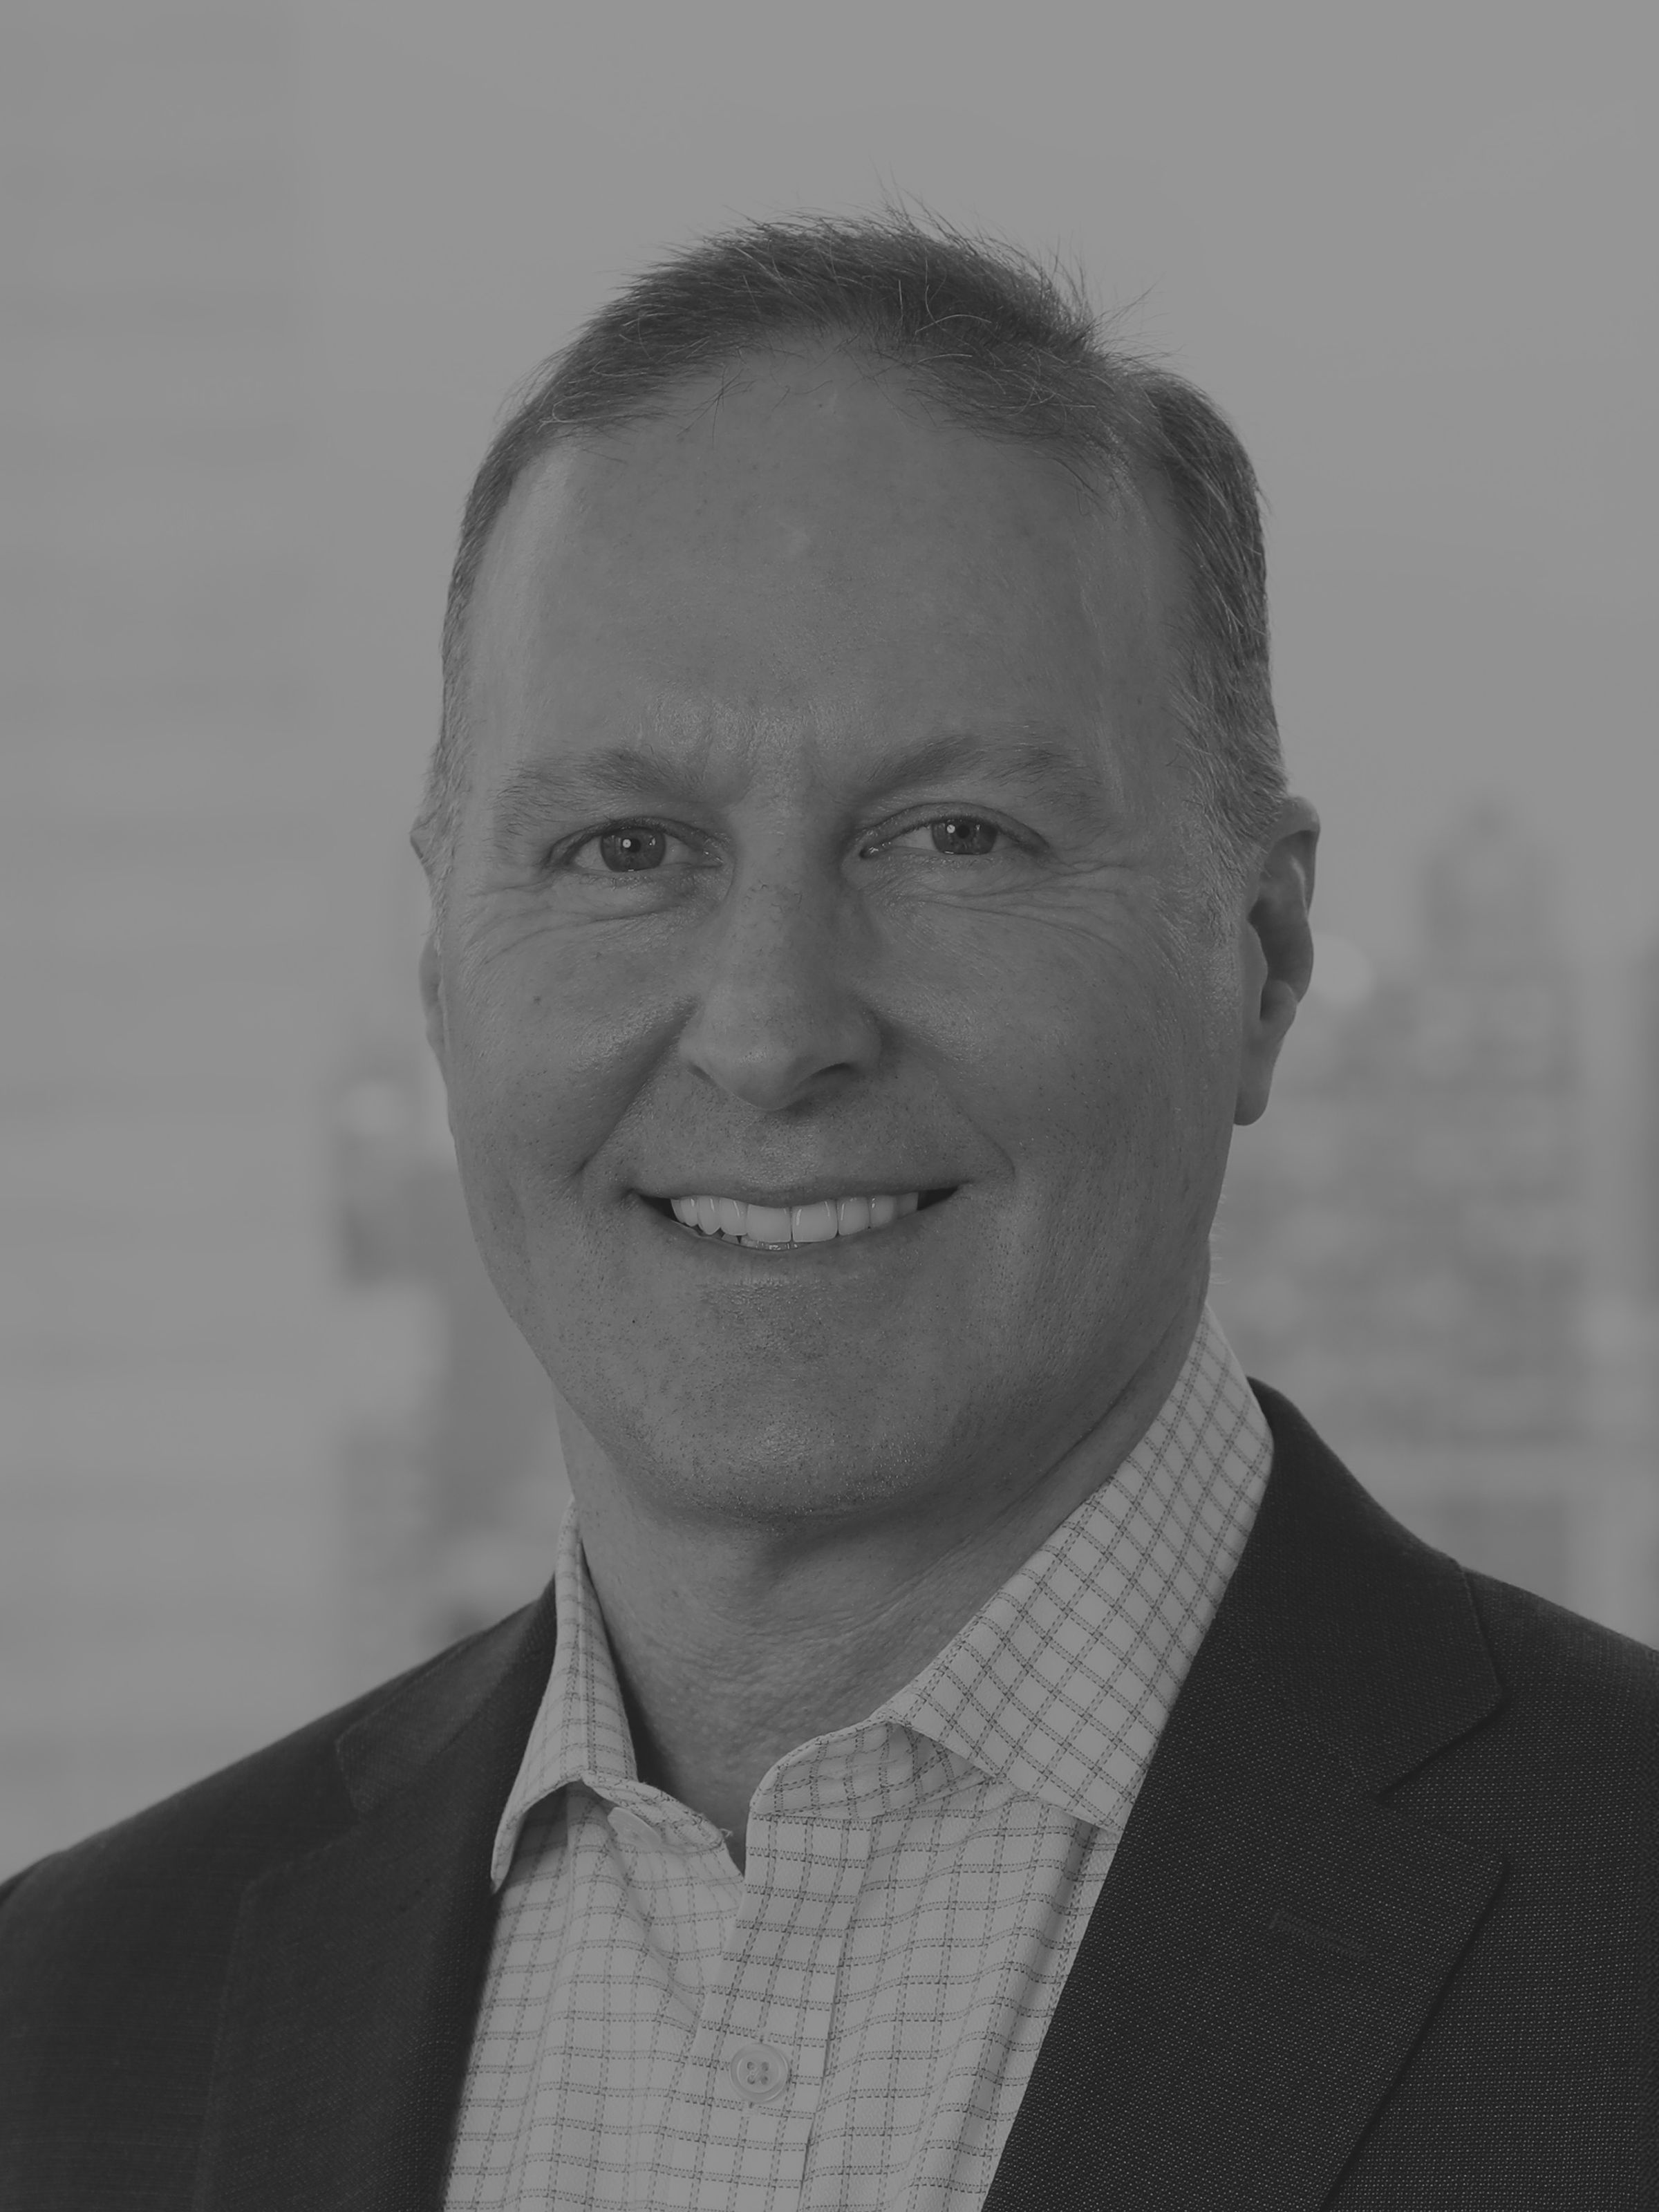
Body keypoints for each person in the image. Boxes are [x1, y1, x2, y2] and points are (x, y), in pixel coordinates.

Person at [1, 212, 1652, 2211]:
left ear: (1265, 957)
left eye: (954, 837)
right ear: (441, 978)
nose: (772, 1032)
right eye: (624, 849)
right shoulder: (70, 2016)